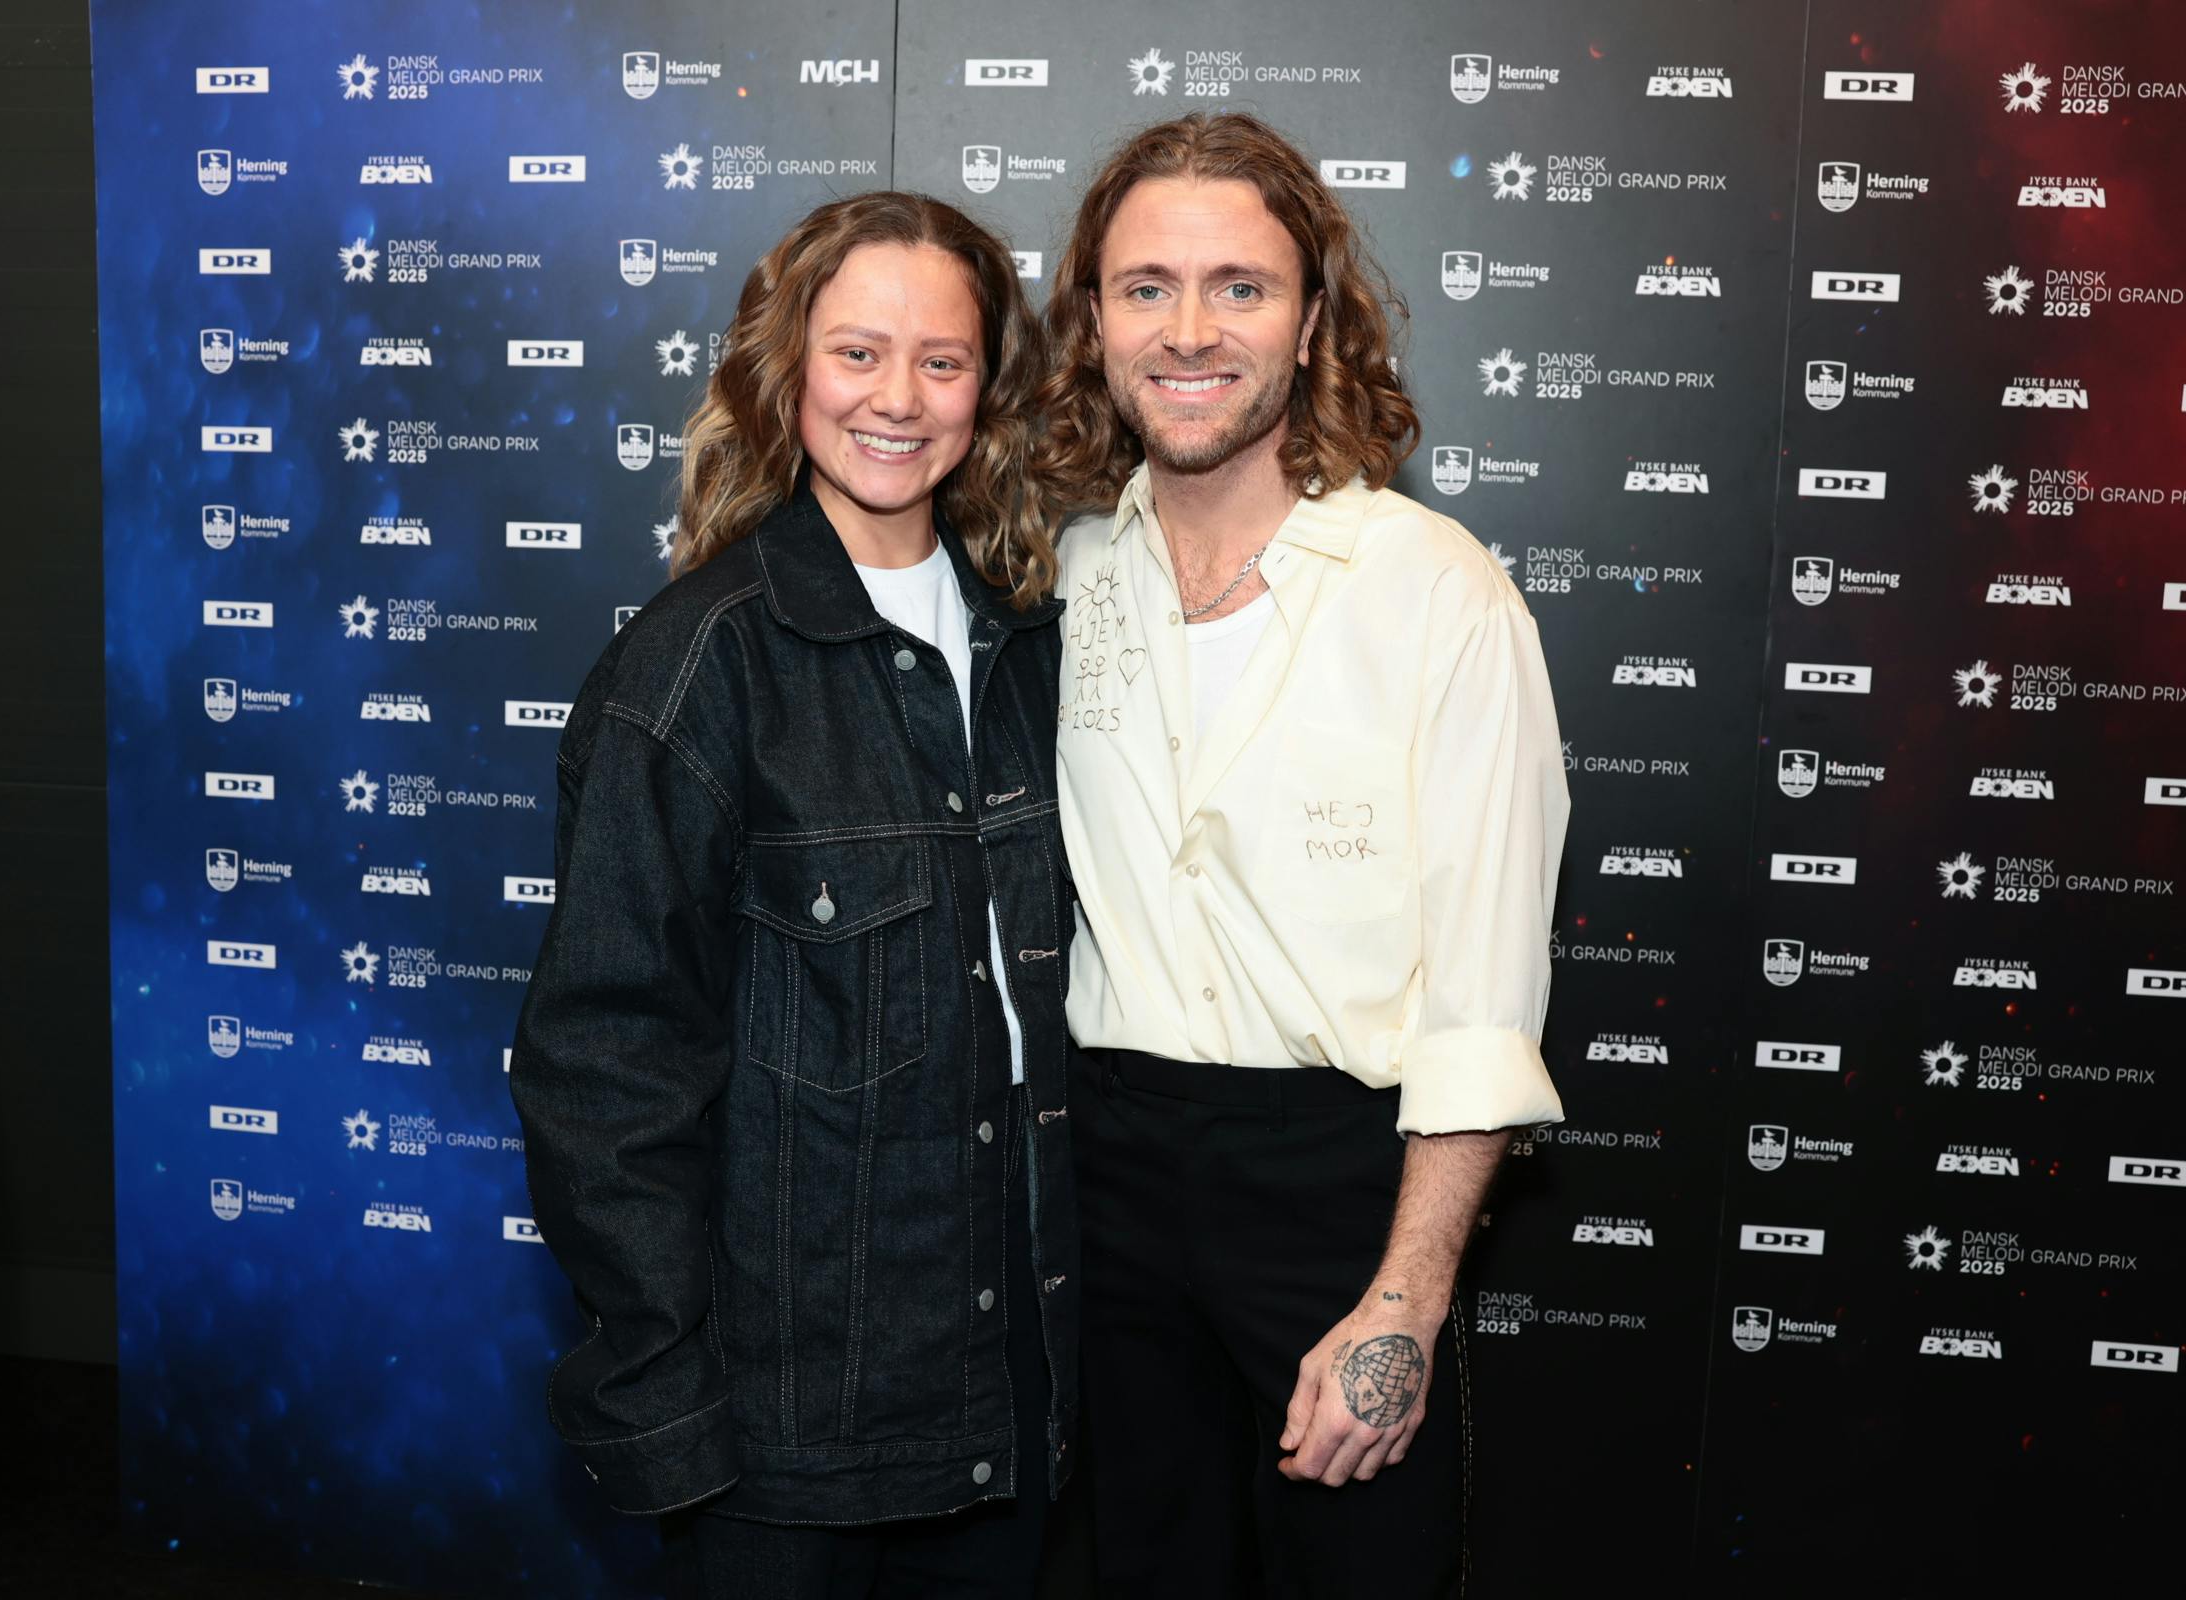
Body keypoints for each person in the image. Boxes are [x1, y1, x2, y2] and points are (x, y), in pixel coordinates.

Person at [509, 191, 1076, 1599]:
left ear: (986, 392)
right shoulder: (699, 667)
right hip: (783, 1426)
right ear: (788, 372)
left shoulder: (1037, 647)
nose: (899, 398)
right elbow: (604, 1072)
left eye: (942, 361)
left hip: (1013, 1384)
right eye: (858, 354)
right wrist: (668, 1412)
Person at [1035, 112, 1570, 1597]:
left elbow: (1480, 1012)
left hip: (1341, 1190)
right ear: (1092, 318)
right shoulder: (1066, 570)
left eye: (1240, 287)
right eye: (1146, 287)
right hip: (1104, 1178)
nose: (1190, 331)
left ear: (1314, 315)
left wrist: (1405, 1300)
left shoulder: (1441, 596)